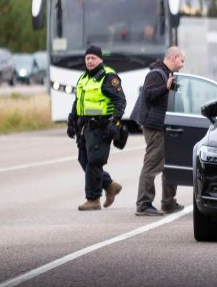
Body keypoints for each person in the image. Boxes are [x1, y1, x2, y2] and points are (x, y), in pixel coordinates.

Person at [67, 45, 126, 211]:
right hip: (85, 126)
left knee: (94, 162)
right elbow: (78, 102)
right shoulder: (84, 78)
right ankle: (109, 185)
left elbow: (120, 101)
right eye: (88, 58)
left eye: (93, 58)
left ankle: (93, 199)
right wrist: (71, 121)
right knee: (84, 161)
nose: (90, 61)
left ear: (100, 59)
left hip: (102, 126)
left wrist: (114, 122)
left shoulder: (108, 77)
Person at [134, 46, 186, 216]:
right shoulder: (155, 74)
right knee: (153, 163)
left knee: (169, 164)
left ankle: (168, 202)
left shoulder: (166, 74)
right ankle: (143, 204)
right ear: (173, 57)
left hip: (166, 125)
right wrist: (165, 87)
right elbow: (148, 94)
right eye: (181, 60)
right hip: (155, 126)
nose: (183, 64)